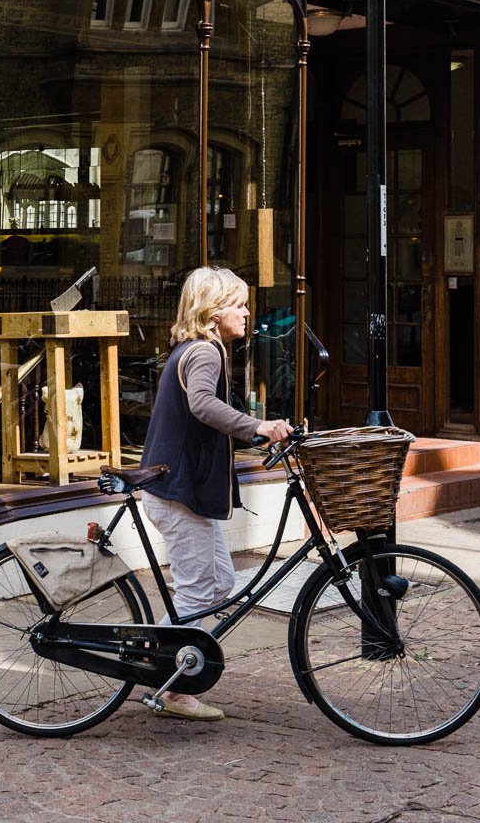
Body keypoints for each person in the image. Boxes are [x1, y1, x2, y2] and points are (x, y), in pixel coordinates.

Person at [137, 266, 293, 723]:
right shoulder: (206, 352)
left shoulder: (195, 349)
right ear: (215, 309)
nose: (247, 313)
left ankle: (159, 666)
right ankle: (170, 685)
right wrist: (258, 426)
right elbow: (203, 405)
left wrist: (257, 431)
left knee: (219, 585)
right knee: (197, 591)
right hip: (176, 493)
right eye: (240, 304)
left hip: (177, 491)